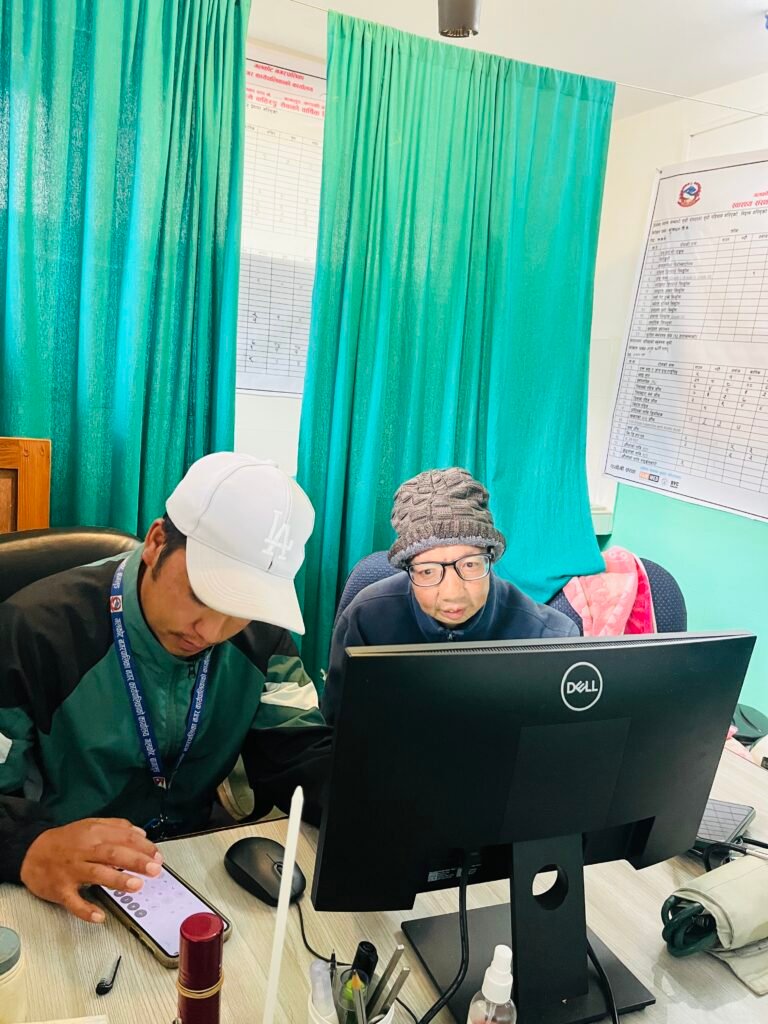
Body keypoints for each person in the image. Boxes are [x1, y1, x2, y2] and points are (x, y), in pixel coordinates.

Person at [0, 453, 330, 923]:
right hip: (65, 873)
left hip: (193, 864)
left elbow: (298, 750)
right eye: (201, 594)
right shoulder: (31, 632)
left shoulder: (262, 634)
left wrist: (374, 798)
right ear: (157, 542)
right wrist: (27, 845)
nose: (211, 631)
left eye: (241, 608)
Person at [322, 467, 579, 724]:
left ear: (491, 558)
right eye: (428, 571)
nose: (452, 594)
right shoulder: (364, 621)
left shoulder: (549, 637)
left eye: (470, 565)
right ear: (408, 568)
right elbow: (337, 730)